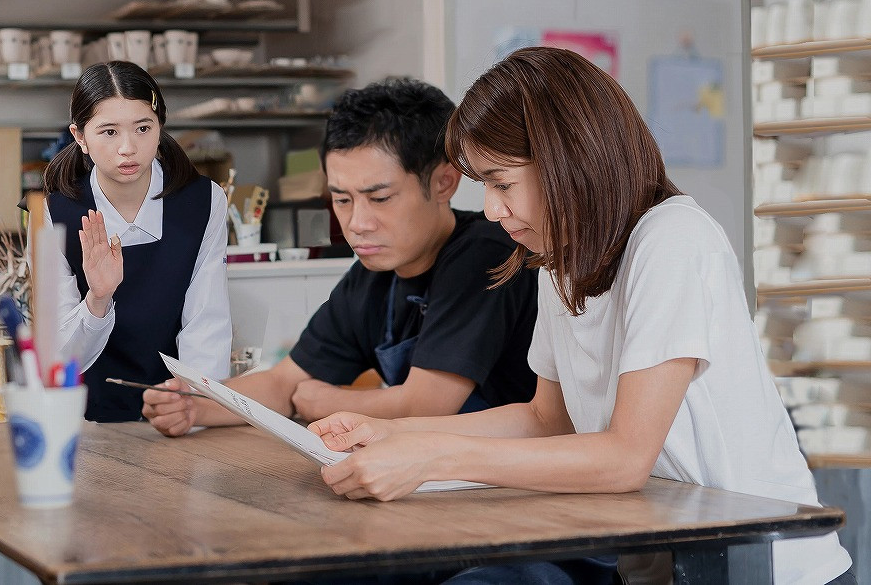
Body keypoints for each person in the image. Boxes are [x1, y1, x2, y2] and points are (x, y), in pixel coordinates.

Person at [309, 47, 854, 585]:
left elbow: (624, 458)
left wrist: (431, 457)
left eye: (503, 184)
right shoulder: (559, 262)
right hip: (661, 561)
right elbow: (547, 420)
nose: (494, 211)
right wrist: (390, 431)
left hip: (767, 568)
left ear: (567, 162)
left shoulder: (673, 241)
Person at [143, 77, 539, 437]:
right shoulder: (373, 274)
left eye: (379, 198)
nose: (357, 224)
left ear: (443, 182)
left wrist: (326, 402)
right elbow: (283, 384)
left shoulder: (488, 252)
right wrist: (194, 405)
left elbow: (426, 405)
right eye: (342, 199)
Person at [43, 60, 233, 422]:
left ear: (160, 126)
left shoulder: (203, 201)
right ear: (80, 136)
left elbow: (207, 325)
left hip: (178, 411)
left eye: (143, 128)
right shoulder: (55, 215)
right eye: (109, 132)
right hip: (86, 421)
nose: (128, 148)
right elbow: (61, 359)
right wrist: (98, 299)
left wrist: (194, 412)